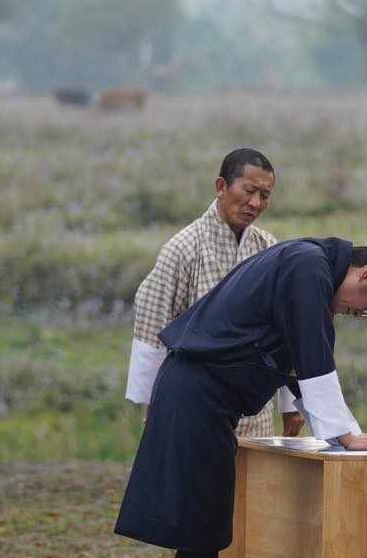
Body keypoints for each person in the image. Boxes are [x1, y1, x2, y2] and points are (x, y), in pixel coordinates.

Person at [113, 237, 367, 558]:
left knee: (207, 524)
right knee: (198, 528)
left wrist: (343, 433)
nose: (358, 314)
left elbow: (300, 359)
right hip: (197, 393)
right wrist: (346, 435)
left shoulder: (308, 268)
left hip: (205, 396)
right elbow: (311, 353)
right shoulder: (308, 267)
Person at [125, 147, 304, 439]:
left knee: (253, 483)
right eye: (249, 190)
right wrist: (153, 402)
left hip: (254, 409)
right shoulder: (183, 248)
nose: (255, 203)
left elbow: (284, 331)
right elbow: (153, 324)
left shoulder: (268, 247)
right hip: (196, 402)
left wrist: (291, 405)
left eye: (265, 195)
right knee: (199, 483)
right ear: (221, 187)